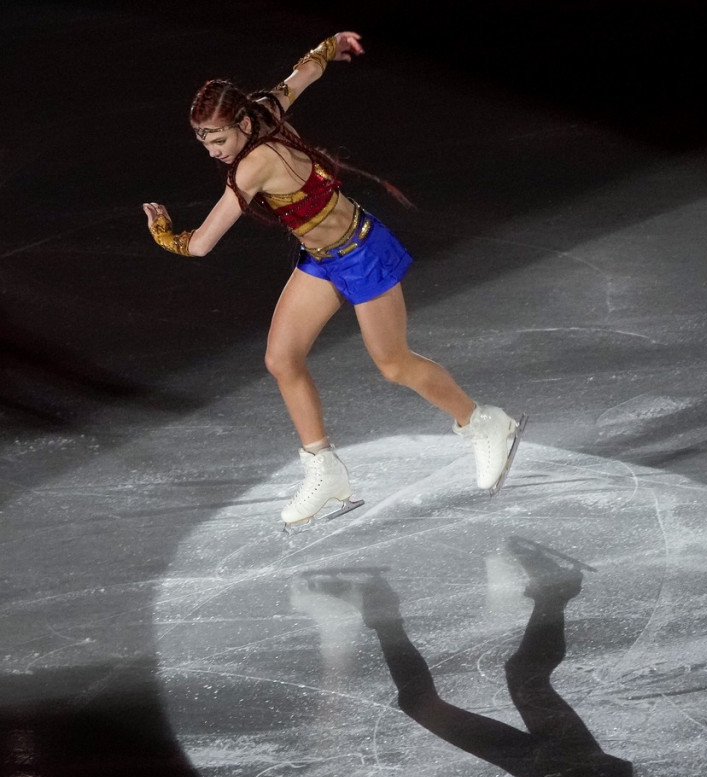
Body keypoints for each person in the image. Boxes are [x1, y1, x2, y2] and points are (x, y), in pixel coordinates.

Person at [143, 30, 522, 527]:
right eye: (204, 141)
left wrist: (163, 232)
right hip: (321, 258)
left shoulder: (254, 163)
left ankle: (484, 423)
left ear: (240, 123)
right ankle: (325, 470)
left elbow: (202, 243)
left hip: (363, 252)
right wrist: (331, 46)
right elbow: (302, 75)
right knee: (281, 358)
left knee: (394, 364)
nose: (214, 151)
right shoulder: (262, 111)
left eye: (219, 139)